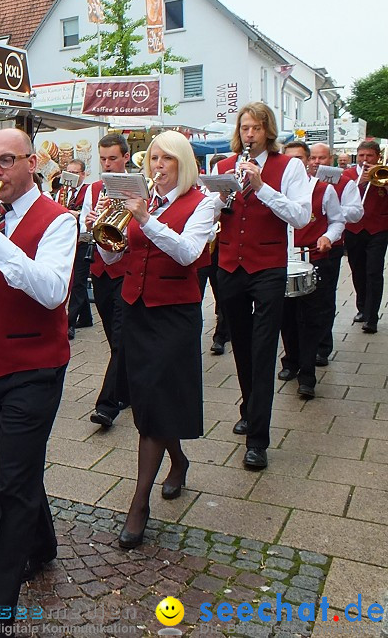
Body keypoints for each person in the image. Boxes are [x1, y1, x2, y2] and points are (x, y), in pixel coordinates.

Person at [0, 128, 76, 636]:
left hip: (35, 367)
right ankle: (42, 545)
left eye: (6, 161)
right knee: (16, 468)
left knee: (10, 485)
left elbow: (51, 292)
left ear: (31, 162)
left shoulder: (59, 220)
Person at [96, 132, 215, 549]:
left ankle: (139, 504)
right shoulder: (145, 200)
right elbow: (118, 254)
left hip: (173, 314)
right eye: (154, 159)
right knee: (149, 399)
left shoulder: (203, 203)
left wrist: (145, 219)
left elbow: (187, 253)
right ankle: (178, 459)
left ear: (183, 163)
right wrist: (104, 233)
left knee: (150, 406)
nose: (158, 166)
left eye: (167, 159)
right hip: (136, 307)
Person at [212, 102, 311, 470]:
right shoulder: (223, 165)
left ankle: (258, 440)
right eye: (244, 128)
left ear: (268, 130)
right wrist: (218, 200)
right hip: (229, 265)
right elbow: (211, 216)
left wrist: (263, 187)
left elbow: (301, 215)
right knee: (240, 341)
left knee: (264, 347)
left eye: (255, 128)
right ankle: (249, 408)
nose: (249, 135)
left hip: (268, 265)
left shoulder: (290, 167)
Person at [277, 141, 346, 399]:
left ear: (307, 161)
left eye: (299, 158)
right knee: (285, 316)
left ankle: (307, 374)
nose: (293, 163)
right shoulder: (275, 189)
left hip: (313, 259)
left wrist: (328, 236)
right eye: (288, 158)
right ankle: (291, 361)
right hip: (282, 260)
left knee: (309, 318)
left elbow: (337, 220)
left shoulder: (324, 189)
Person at [83, 134, 131, 428]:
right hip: (101, 270)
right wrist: (89, 222)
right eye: (102, 159)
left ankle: (107, 405)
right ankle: (127, 389)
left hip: (128, 270)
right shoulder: (95, 188)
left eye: (112, 158)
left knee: (121, 335)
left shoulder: (138, 185)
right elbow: (84, 227)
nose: (107, 164)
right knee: (116, 339)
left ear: (126, 157)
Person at [310, 142, 363, 364]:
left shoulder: (345, 183)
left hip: (331, 246)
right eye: (313, 158)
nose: (316, 163)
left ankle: (322, 346)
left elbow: (356, 213)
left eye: (321, 158)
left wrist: (332, 206)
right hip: (302, 246)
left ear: (330, 159)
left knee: (323, 297)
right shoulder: (300, 182)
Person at [344, 140, 387, 333]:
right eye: (361, 156)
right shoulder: (349, 175)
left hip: (378, 229)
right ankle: (362, 307)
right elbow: (340, 196)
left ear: (377, 157)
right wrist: (358, 183)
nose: (365, 160)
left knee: (374, 272)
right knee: (357, 270)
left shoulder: (384, 173)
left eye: (369, 156)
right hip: (354, 229)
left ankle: (372, 317)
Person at [58, 159, 92, 338]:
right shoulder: (62, 192)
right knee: (75, 279)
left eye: (75, 172)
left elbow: (89, 213)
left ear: (83, 174)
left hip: (82, 239)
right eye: (68, 171)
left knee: (78, 280)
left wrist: (75, 214)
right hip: (67, 239)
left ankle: (69, 322)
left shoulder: (88, 191)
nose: (71, 175)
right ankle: (86, 317)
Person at [206, 154, 231, 355]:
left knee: (222, 290)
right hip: (205, 247)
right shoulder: (203, 189)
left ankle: (221, 335)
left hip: (222, 244)